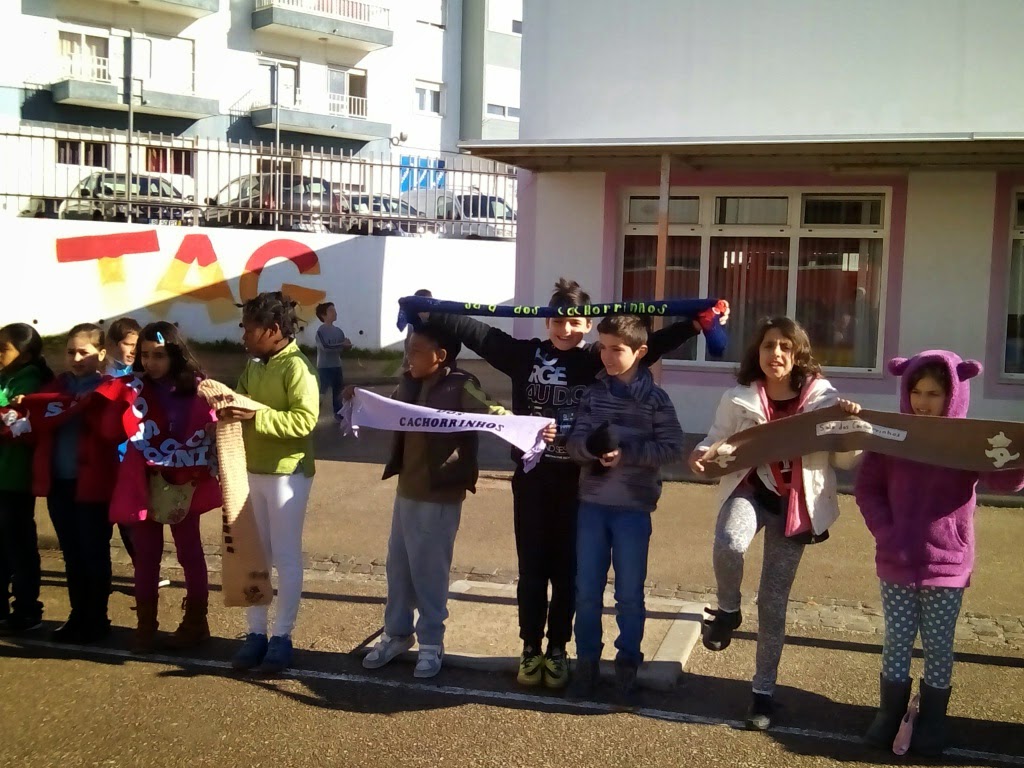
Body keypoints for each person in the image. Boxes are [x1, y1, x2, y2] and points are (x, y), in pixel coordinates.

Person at [424, 278, 719, 689]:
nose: (565, 329)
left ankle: (559, 648)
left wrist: (696, 324)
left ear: (587, 326)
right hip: (531, 479)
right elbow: (477, 331)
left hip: (578, 482)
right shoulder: (522, 355)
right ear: (546, 322)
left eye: (575, 322)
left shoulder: (593, 359)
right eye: (558, 321)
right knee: (532, 569)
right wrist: (430, 309)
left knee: (568, 573)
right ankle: (531, 647)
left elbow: (647, 344)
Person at [689, 316, 860, 730]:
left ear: (798, 354)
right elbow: (714, 439)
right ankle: (728, 610)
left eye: (785, 346)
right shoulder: (738, 397)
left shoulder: (824, 399)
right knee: (729, 543)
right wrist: (699, 454)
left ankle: (762, 694)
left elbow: (842, 461)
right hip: (750, 490)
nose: (776, 354)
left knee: (772, 602)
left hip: (795, 506)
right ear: (758, 352)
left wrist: (850, 429)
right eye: (769, 346)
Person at [855, 351, 1024, 756]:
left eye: (933, 393)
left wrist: (1018, 459)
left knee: (938, 645)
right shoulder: (891, 437)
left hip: (947, 562)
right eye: (916, 391)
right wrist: (887, 533)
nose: (922, 402)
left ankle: (933, 720)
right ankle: (889, 713)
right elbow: (867, 489)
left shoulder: (965, 441)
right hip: (895, 560)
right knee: (897, 640)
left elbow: (1004, 482)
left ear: (953, 394)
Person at [360, 325, 521, 679]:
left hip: (440, 494)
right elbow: (386, 409)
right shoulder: (408, 382)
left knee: (429, 571)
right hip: (407, 490)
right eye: (408, 349)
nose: (408, 356)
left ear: (441, 356)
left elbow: (493, 412)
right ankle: (397, 634)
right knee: (399, 568)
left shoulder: (461, 384)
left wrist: (521, 426)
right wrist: (356, 401)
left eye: (416, 350)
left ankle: (431, 642)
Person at [565, 315, 684, 702]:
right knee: (586, 591)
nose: (607, 356)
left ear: (640, 351)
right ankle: (586, 665)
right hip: (592, 507)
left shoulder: (656, 399)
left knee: (629, 594)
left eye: (616, 349)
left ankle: (627, 666)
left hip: (633, 510)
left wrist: (627, 453)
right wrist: (591, 450)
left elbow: (672, 448)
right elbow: (574, 442)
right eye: (602, 348)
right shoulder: (592, 393)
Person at [218, 292, 319, 675]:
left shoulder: (298, 367)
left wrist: (254, 416)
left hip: (287, 474)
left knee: (285, 557)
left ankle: (282, 637)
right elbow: (241, 401)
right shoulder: (254, 365)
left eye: (249, 328)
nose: (243, 335)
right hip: (251, 471)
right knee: (255, 556)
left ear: (273, 330)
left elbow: (304, 421)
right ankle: (256, 634)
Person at [109, 322, 221, 653]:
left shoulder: (198, 389)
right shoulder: (133, 388)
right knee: (146, 556)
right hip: (143, 482)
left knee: (189, 552)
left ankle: (196, 623)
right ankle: (145, 625)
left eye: (158, 355)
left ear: (175, 354)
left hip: (183, 483)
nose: (150, 362)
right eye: (144, 355)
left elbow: (212, 424)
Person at [32, 324, 125, 643]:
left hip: (94, 484)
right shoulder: (56, 387)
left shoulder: (110, 388)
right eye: (71, 352)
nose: (76, 358)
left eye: (84, 352)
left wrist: (91, 407)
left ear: (101, 354)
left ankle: (97, 619)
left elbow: (116, 432)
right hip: (59, 483)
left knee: (94, 553)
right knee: (72, 554)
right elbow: (37, 420)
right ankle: (77, 616)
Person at [0, 323, 54, 634]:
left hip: (15, 479)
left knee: (19, 547)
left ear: (26, 355)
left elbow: (12, 422)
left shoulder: (31, 383)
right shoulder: (6, 378)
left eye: (3, 349)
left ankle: (27, 610)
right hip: (3, 477)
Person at [104, 316, 149, 577]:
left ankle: (144, 571)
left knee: (131, 520)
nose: (133, 351)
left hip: (131, 459)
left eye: (136, 345)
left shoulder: (141, 376)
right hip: (109, 459)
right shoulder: (105, 376)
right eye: (127, 344)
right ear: (112, 344)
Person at [314, 301, 351, 420]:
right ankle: (312, 413)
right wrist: (342, 344)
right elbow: (325, 347)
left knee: (338, 391)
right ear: (323, 315)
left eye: (334, 310)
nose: (335, 313)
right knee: (321, 392)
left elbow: (341, 350)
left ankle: (338, 413)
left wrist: (347, 346)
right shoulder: (321, 331)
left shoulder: (339, 331)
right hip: (324, 367)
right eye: (331, 310)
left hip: (337, 365)